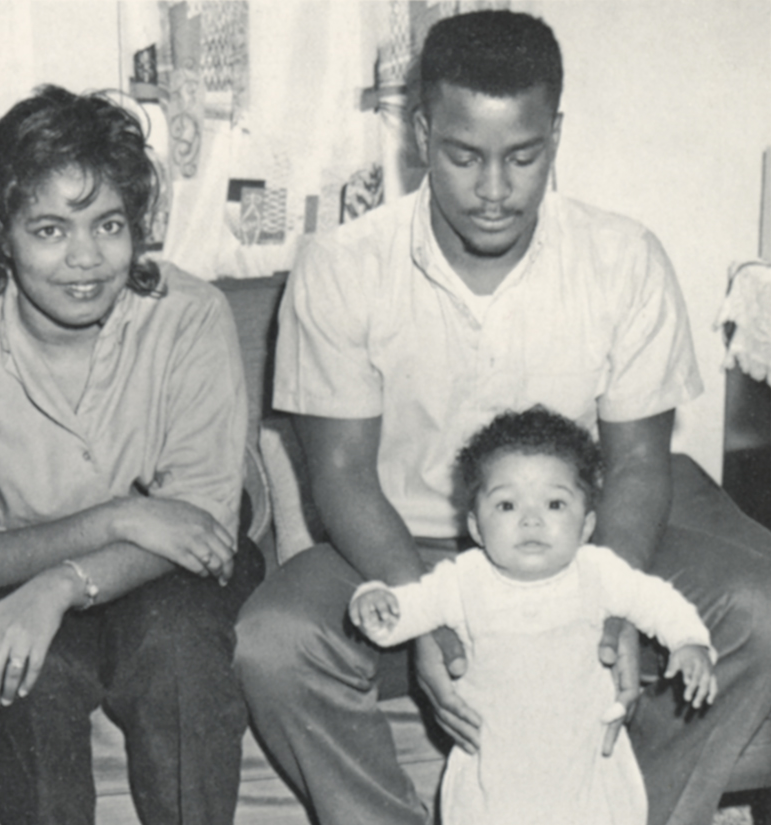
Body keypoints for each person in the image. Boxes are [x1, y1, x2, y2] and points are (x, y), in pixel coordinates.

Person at [233, 10, 771, 825]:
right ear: (420, 133)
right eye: (462, 156)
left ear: (555, 133)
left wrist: (613, 605)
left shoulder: (624, 258)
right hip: (398, 538)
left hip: (579, 539)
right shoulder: (341, 266)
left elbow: (634, 463)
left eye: (522, 157)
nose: (493, 191)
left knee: (758, 608)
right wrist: (425, 621)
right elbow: (341, 473)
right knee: (272, 641)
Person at [0, 85, 264, 825]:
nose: (85, 259)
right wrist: (117, 518)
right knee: (30, 675)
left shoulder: (188, 316)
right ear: (1, 232)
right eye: (51, 230)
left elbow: (201, 525)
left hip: (166, 572)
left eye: (109, 224)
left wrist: (63, 584)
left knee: (181, 652)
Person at [350, 407, 717, 825]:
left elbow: (656, 601)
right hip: (497, 768)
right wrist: (375, 603)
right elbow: (405, 611)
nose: (530, 519)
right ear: (474, 526)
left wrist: (689, 641)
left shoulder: (600, 573)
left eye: (555, 503)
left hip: (584, 760)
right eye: (506, 505)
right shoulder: (461, 581)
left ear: (586, 525)